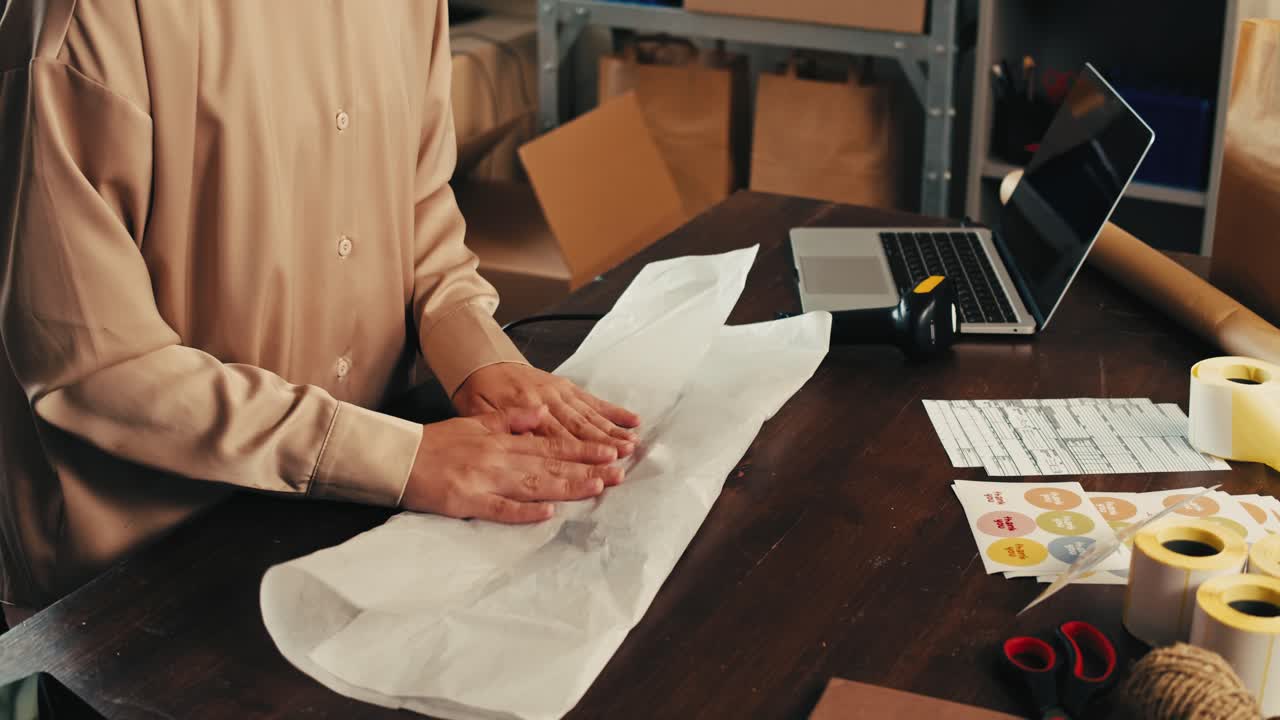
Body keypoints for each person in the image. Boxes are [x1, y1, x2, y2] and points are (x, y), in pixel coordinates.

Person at [0, 0, 640, 625]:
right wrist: (396, 458)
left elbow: (416, 202)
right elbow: (95, 364)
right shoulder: (89, 16)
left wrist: (479, 354)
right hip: (142, 575)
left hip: (359, 509)